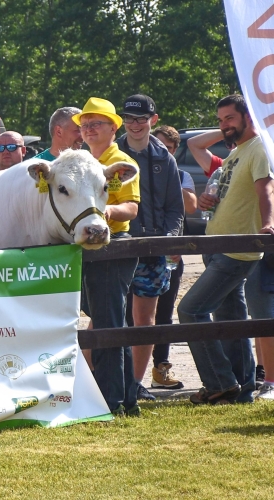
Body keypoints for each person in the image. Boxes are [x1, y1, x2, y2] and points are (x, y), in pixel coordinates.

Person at [177, 94, 274, 405]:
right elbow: (230, 191)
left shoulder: (259, 148)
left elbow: (266, 188)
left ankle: (220, 382)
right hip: (218, 247)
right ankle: (242, 390)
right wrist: (209, 202)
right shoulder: (237, 152)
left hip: (237, 250)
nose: (224, 126)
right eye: (219, 121)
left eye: (229, 118)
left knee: (190, 310)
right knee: (231, 323)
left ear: (248, 116)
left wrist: (269, 225)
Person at [74, 97, 141, 416]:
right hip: (88, 247)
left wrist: (105, 211)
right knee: (106, 320)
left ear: (114, 128)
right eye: (84, 125)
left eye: (95, 124)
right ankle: (124, 398)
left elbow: (132, 208)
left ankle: (110, 400)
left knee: (108, 323)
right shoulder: (83, 163)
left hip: (114, 245)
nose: (88, 130)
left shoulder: (121, 161)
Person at [116, 95, 184, 401]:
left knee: (146, 320)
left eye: (140, 119)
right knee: (105, 317)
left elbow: (175, 209)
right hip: (117, 245)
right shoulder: (110, 152)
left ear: (153, 120)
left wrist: (170, 239)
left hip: (154, 248)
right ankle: (96, 382)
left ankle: (134, 384)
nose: (134, 125)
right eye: (129, 119)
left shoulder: (164, 158)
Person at [144, 126, 198, 391]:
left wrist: (168, 174)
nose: (156, 153)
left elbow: (190, 206)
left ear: (173, 151)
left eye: (163, 148)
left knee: (164, 313)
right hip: (143, 252)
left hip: (171, 255)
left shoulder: (181, 174)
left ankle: (160, 368)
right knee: (135, 316)